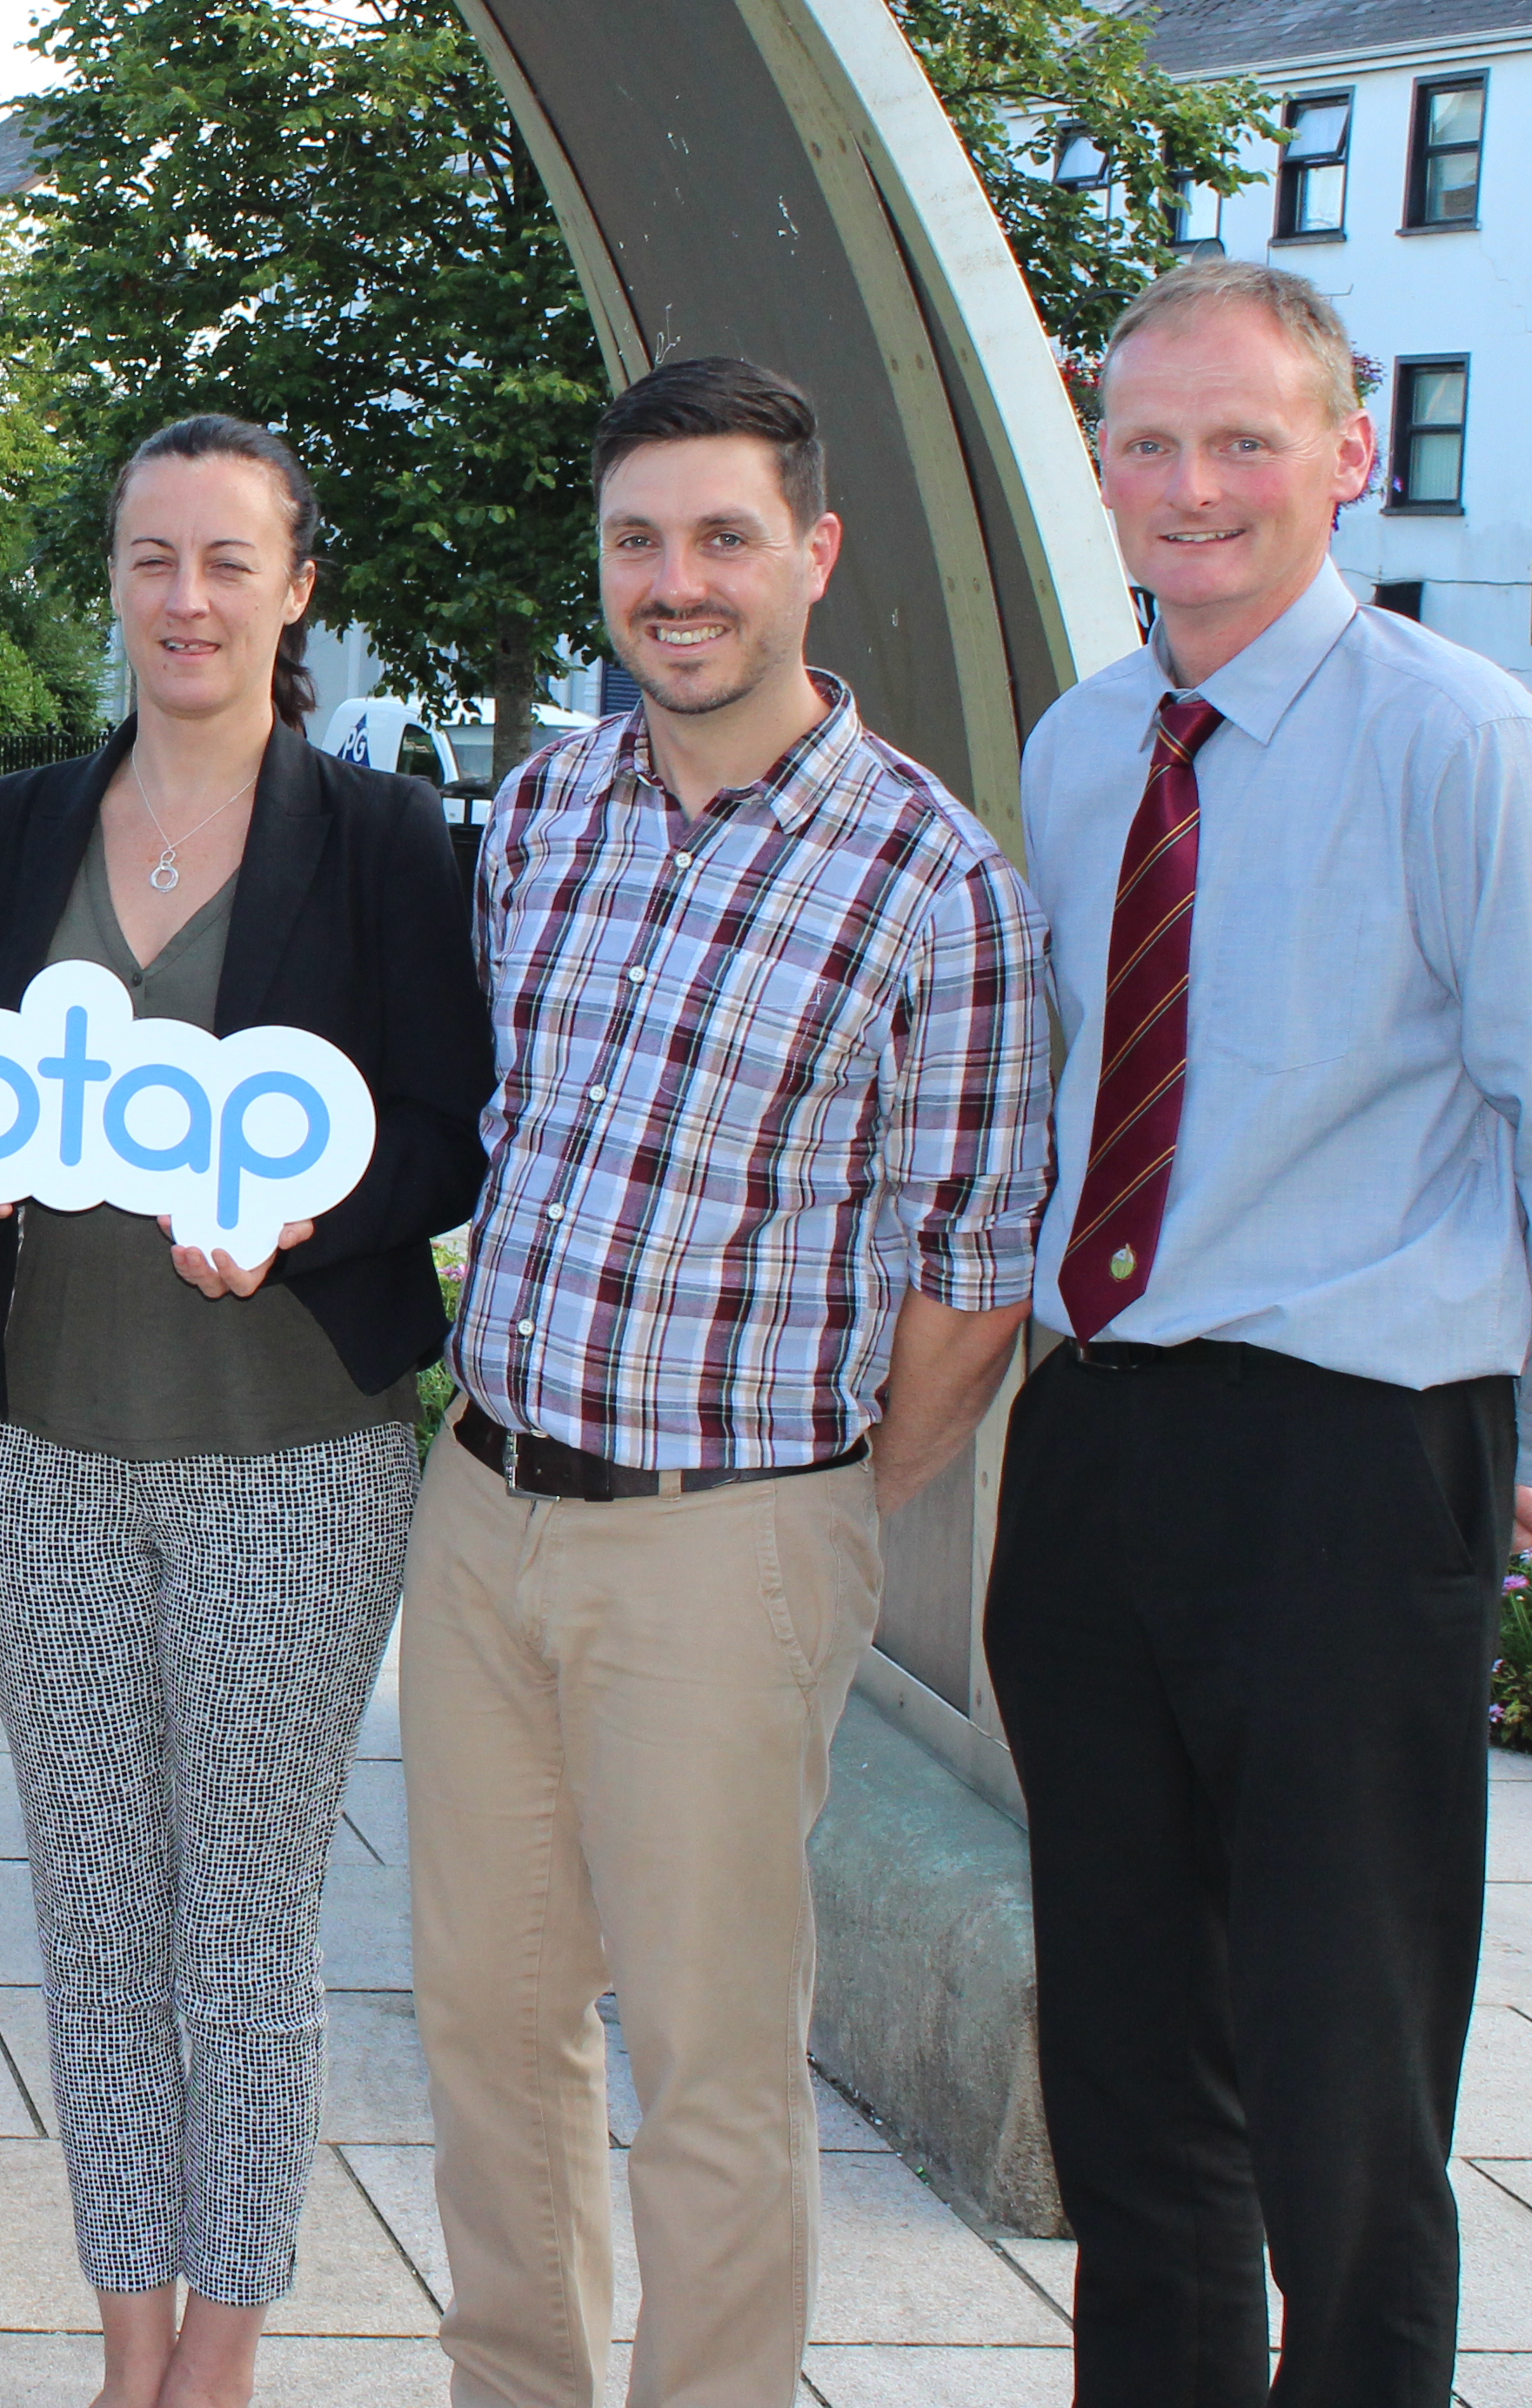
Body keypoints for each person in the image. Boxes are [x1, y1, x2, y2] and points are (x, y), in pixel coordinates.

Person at [986, 258, 1532, 2408]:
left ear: (1346, 458)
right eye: (1149, 443)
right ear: (1100, 467)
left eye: (1244, 440)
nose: (1192, 485)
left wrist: (1502, 1435)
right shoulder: (1089, 744)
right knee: (1129, 2073)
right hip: (1101, 1452)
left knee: (1346, 2092)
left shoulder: (1458, 740)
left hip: (1354, 1464)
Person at [412, 356, 1053, 2408]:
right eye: (637, 541)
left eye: (720, 539)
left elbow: (969, 1283)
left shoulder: (932, 885)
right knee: (490, 2030)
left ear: (814, 556)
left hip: (730, 1537)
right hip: (485, 1508)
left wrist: (811, 1519)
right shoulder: (539, 814)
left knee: (706, 2060)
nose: (673, 583)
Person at [0, 418, 488, 2408]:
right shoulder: (10, 833)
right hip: (40, 1447)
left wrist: (315, 1214)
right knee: (93, 1911)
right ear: (115, 579)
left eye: (229, 561)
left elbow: (444, 1134)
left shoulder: (390, 841)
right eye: (153, 558)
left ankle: (223, 2354)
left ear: (297, 587)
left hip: (293, 1461)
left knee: (241, 1920)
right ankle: (123, 2337)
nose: (187, 599)